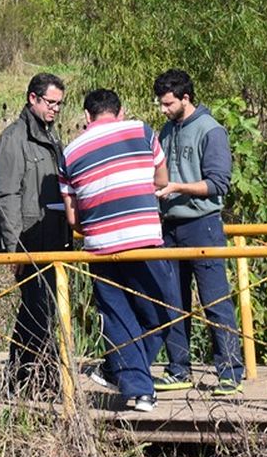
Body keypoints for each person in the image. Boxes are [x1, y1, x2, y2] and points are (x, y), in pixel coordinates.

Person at [58, 88, 189, 412]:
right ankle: (135, 384)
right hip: (143, 237)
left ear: (86, 117)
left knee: (117, 317)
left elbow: (73, 216)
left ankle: (126, 376)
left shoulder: (70, 152)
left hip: (100, 245)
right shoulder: (142, 131)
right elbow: (161, 180)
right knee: (164, 310)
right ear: (121, 112)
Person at [154, 68, 245, 396]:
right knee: (172, 301)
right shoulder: (165, 131)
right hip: (169, 227)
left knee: (215, 299)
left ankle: (231, 370)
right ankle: (178, 368)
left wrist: (178, 187)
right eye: (161, 104)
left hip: (202, 225)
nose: (163, 110)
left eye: (167, 103)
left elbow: (219, 183)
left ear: (185, 98)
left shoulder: (211, 130)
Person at [0, 72, 70, 392]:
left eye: (60, 104)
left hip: (53, 235)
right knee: (37, 308)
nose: (55, 109)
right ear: (32, 98)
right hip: (28, 238)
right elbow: (6, 196)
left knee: (42, 309)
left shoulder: (50, 138)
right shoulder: (14, 139)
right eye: (50, 102)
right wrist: (13, 247)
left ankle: (31, 377)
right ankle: (31, 378)